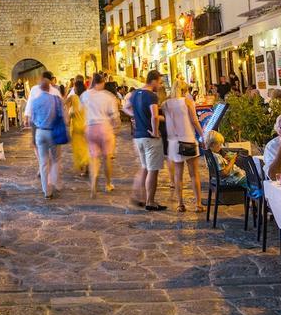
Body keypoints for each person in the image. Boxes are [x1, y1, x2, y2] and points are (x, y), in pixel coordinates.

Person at [123, 69, 166, 211]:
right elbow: (154, 116)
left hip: (138, 137)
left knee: (145, 168)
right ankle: (150, 201)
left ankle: (141, 197)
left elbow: (125, 107)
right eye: (159, 82)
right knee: (152, 170)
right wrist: (155, 131)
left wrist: (136, 116)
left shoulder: (135, 94)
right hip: (150, 137)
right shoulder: (151, 96)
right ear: (153, 80)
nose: (159, 86)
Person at [161, 82, 206, 212]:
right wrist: (203, 135)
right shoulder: (187, 102)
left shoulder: (166, 104)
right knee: (194, 174)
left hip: (174, 142)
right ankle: (198, 204)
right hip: (188, 140)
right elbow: (194, 120)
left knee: (178, 175)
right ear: (185, 90)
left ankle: (180, 204)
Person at [27, 71, 65, 199]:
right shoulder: (55, 99)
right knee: (56, 158)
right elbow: (62, 116)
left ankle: (46, 191)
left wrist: (33, 137)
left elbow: (31, 120)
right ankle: (55, 180)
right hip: (53, 132)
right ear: (50, 87)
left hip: (40, 132)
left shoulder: (35, 101)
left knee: (43, 162)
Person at [81, 73, 120, 197]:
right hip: (104, 128)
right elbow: (115, 116)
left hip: (90, 128)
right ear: (102, 82)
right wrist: (116, 128)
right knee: (107, 157)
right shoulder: (108, 96)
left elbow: (81, 112)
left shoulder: (84, 95)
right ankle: (108, 184)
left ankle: (93, 186)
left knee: (94, 159)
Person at [66, 79, 90, 177]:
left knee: (78, 149)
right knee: (85, 147)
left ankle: (83, 167)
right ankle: (87, 165)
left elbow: (62, 102)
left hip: (76, 128)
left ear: (76, 88)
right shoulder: (87, 97)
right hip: (86, 126)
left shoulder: (72, 97)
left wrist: (67, 89)